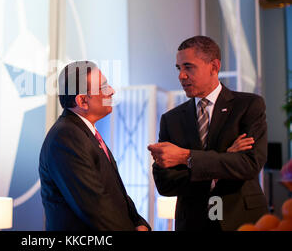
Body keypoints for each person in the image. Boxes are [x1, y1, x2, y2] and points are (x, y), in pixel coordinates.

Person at [148, 36, 268, 231]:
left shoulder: (248, 105)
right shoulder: (171, 119)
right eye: (179, 68)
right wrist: (226, 159)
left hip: (242, 220)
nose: (181, 76)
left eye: (188, 67)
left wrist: (185, 158)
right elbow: (165, 183)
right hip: (193, 222)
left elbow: (249, 165)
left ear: (214, 66)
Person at [39, 61, 151, 231]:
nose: (112, 91)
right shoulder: (66, 137)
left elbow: (116, 194)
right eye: (103, 87)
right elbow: (95, 206)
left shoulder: (83, 132)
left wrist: (139, 223)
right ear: (83, 100)